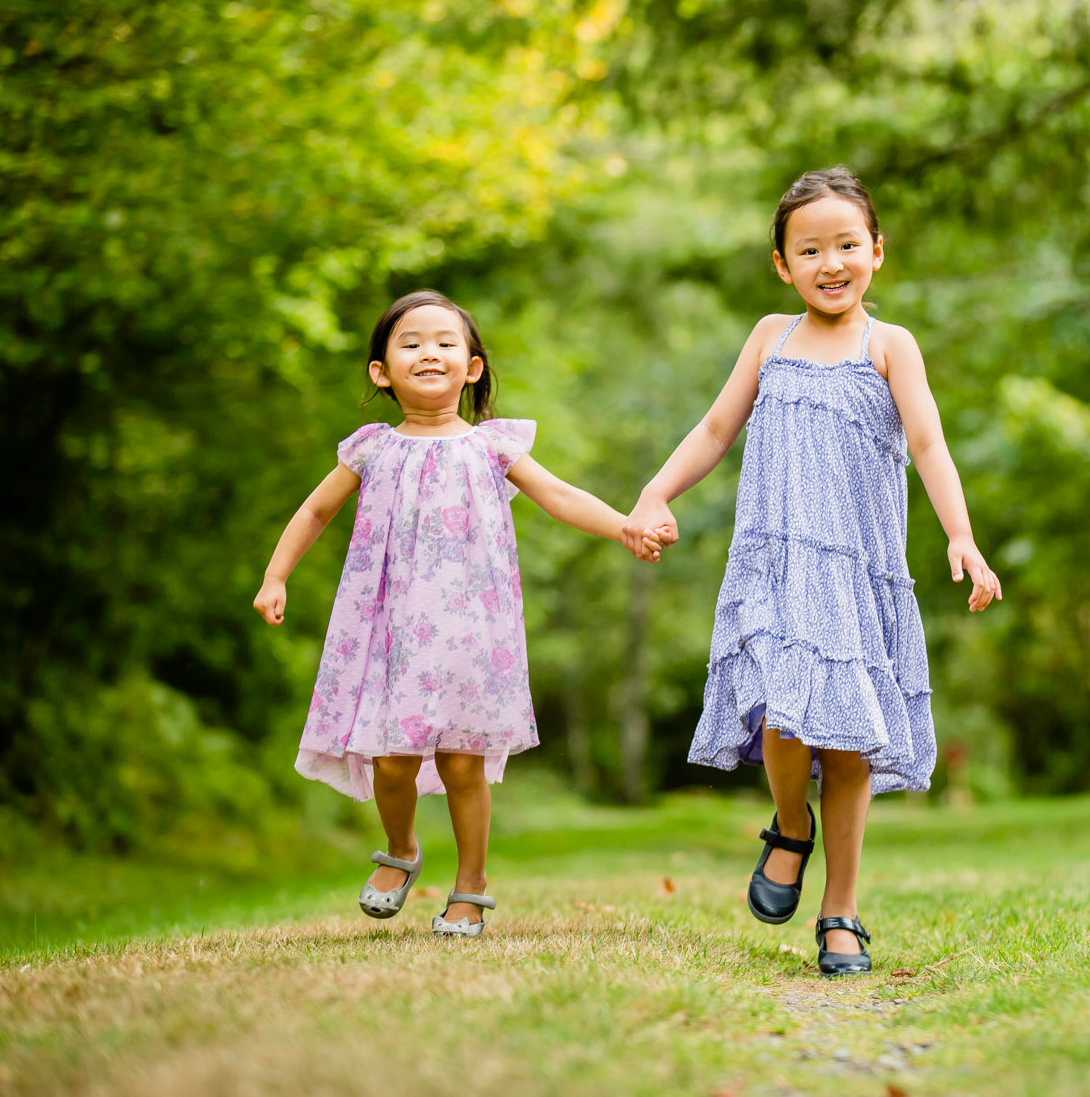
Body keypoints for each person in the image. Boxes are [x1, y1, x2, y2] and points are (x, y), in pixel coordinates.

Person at [623, 167, 1002, 976]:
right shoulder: (770, 337)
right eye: (810, 250)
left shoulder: (890, 345)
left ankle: (842, 910)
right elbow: (716, 426)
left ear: (876, 251)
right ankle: (791, 822)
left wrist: (960, 536)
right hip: (774, 560)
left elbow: (929, 444)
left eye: (846, 245)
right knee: (784, 719)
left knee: (847, 740)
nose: (830, 262)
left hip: (856, 572)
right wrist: (656, 490)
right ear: (782, 264)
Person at [256, 290, 663, 937]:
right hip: (392, 632)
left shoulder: (491, 446)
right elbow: (314, 512)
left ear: (471, 367)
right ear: (380, 371)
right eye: (410, 342)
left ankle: (470, 886)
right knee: (390, 757)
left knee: (462, 761)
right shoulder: (371, 449)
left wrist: (623, 527)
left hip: (472, 632)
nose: (429, 352)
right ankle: (402, 849)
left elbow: (558, 494)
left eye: (445, 342)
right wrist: (277, 575)